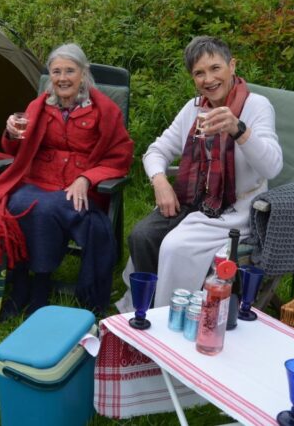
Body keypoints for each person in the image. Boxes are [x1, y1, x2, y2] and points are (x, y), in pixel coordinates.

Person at [117, 36, 283, 311]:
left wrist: (238, 130)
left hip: (234, 208)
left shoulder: (257, 106)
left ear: (232, 66)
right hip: (193, 200)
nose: (209, 79)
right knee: (141, 235)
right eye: (199, 73)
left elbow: (272, 166)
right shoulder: (194, 109)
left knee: (174, 246)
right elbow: (156, 151)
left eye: (215, 68)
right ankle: (144, 305)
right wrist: (159, 181)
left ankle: (172, 313)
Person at [0, 43, 134, 318]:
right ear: (49, 76)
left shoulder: (104, 110)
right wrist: (11, 134)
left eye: (69, 71)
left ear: (83, 73)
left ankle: (37, 287)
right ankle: (20, 283)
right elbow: (15, 152)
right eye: (56, 71)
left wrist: (88, 178)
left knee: (46, 208)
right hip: (38, 179)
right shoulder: (39, 106)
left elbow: (121, 155)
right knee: (17, 202)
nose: (62, 78)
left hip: (76, 188)